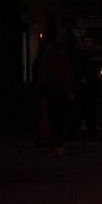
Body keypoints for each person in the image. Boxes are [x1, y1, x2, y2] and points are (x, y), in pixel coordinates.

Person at [35, 25, 76, 155]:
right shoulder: (62, 53)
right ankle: (59, 144)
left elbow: (44, 73)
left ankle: (55, 144)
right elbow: (68, 72)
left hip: (53, 89)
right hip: (60, 89)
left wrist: (40, 88)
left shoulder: (48, 54)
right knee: (59, 116)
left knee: (53, 117)